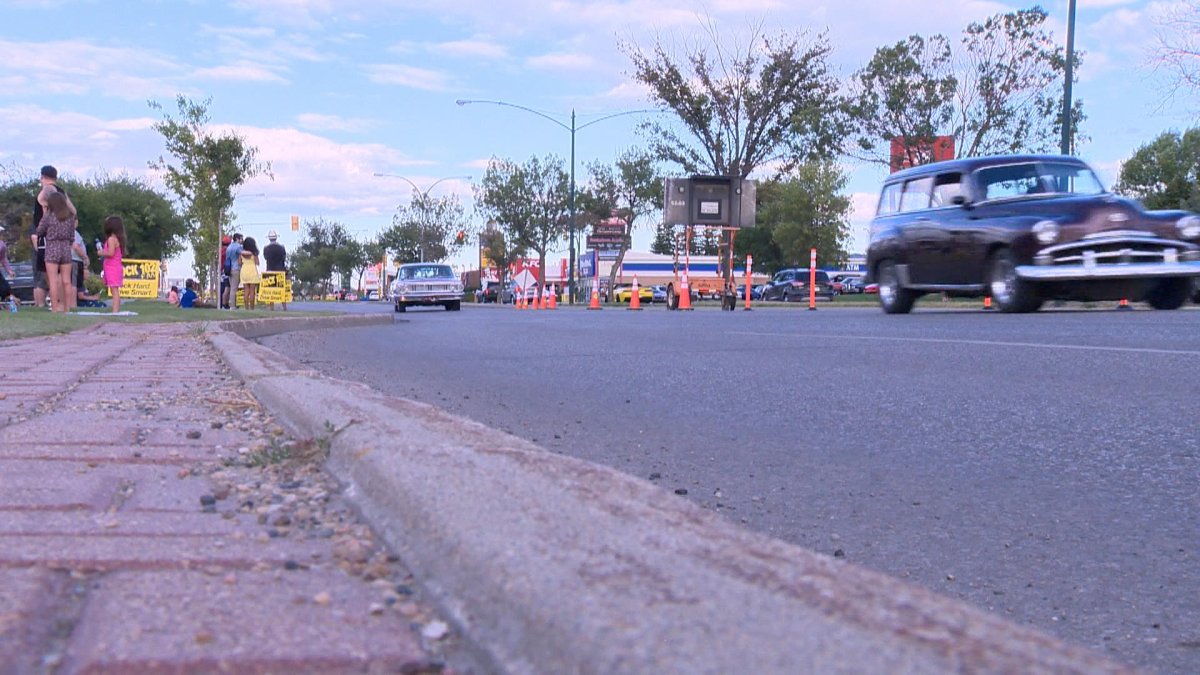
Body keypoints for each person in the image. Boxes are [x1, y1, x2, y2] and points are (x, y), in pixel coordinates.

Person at [35, 191, 77, 314]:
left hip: (52, 247)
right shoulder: (70, 217)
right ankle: (67, 309)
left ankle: (54, 308)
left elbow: (39, 230)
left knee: (53, 281)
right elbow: (72, 235)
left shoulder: (49, 216)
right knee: (66, 281)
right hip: (65, 248)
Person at [31, 165, 65, 309]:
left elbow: (41, 220)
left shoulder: (45, 192)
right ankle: (62, 304)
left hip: (47, 238)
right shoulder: (62, 192)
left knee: (50, 274)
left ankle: (57, 304)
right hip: (61, 236)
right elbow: (73, 213)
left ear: (43, 177)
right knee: (60, 273)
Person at [98, 216, 127, 314]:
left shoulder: (111, 239)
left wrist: (101, 252)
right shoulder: (117, 239)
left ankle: (115, 311)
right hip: (114, 267)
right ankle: (115, 310)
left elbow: (111, 253)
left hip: (112, 268)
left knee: (114, 291)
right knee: (114, 289)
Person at [262, 229, 287, 311]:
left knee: (271, 291)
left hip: (270, 269)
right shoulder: (282, 247)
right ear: (276, 238)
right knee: (282, 290)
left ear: (269, 238)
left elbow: (265, 258)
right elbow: (284, 257)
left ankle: (271, 307)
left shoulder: (266, 248)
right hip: (280, 269)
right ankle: (284, 307)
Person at [239, 236, 261, 310]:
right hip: (252, 270)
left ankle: (246, 308)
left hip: (244, 270)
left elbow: (239, 263)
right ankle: (252, 308)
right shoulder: (254, 253)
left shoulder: (241, 253)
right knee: (252, 291)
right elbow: (257, 263)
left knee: (246, 290)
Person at [69, 229, 89, 311]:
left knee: (71, 283)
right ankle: (73, 304)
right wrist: (85, 257)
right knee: (74, 284)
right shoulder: (74, 232)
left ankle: (68, 303)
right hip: (75, 260)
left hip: (69, 260)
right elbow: (76, 246)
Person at [223, 233, 243, 309]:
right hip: (236, 268)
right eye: (241, 239)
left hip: (229, 269)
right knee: (234, 289)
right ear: (237, 239)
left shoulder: (229, 247)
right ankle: (233, 305)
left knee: (231, 287)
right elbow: (242, 254)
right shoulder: (238, 247)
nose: (242, 240)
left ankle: (232, 304)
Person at [0, 235, 16, 312]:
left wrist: (9, 270)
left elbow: (3, 259)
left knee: (5, 288)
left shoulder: (2, 245)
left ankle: (8, 304)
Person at [219, 234, 232, 309]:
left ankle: (222, 304)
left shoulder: (221, 250)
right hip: (226, 270)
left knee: (223, 288)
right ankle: (225, 304)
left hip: (222, 271)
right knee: (227, 287)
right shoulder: (227, 251)